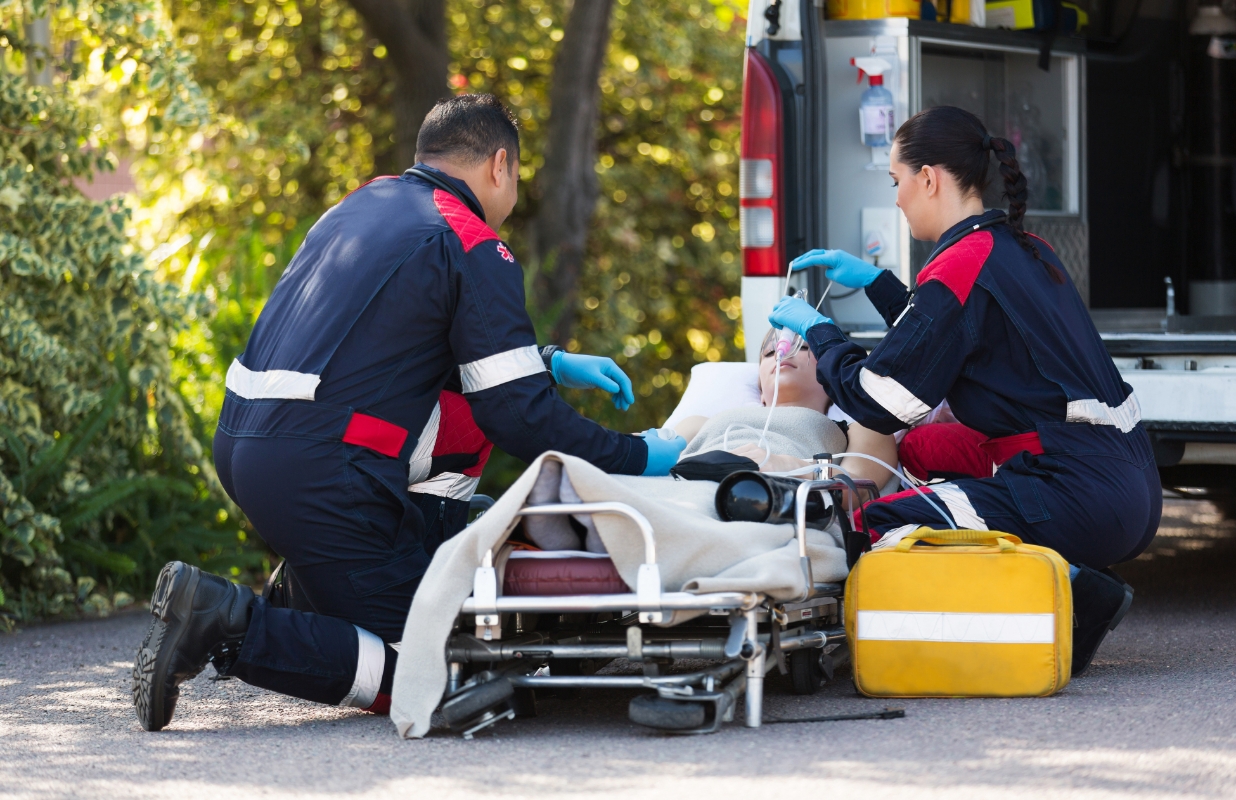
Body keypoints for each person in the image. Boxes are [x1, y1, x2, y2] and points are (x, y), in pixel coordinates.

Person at [131, 94, 687, 731]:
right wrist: (640, 455)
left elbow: (395, 346)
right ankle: (227, 624)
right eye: (519, 176)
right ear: (499, 164)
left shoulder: (362, 206)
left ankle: (308, 590)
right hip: (322, 473)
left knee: (427, 549)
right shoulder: (473, 243)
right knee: (454, 671)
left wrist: (549, 360)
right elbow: (520, 418)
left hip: (250, 447)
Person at [768, 106, 1159, 674]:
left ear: (928, 178)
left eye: (897, 182)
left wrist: (820, 332)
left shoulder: (961, 264)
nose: (897, 198)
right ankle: (1073, 584)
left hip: (1080, 492)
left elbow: (879, 400)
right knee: (927, 453)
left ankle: (1075, 590)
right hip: (1128, 483)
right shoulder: (1024, 247)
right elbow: (952, 333)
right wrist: (879, 284)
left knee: (882, 523)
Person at [673, 326, 898, 490]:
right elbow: (645, 455)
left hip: (767, 503)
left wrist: (790, 466)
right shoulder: (698, 423)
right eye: (769, 354)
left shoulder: (863, 428)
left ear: (832, 379)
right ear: (760, 391)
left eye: (803, 347)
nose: (783, 352)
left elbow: (859, 487)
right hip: (678, 494)